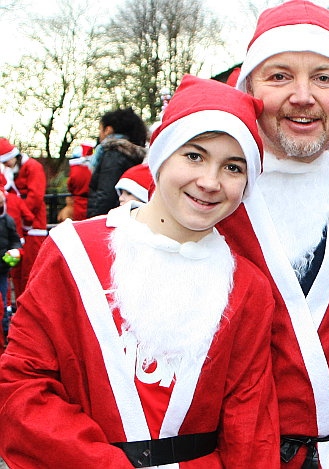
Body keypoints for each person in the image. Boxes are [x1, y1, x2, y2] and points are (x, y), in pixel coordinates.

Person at [0, 75, 280, 468]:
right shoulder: (73, 252)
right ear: (161, 157)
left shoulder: (248, 287)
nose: (209, 182)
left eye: (233, 167)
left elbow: (249, 423)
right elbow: (21, 386)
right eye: (194, 155)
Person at [220, 1, 329, 467]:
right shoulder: (210, 191)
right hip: (248, 454)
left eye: (324, 77)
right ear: (248, 88)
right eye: (279, 76)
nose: (303, 95)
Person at [0, 137, 47, 301]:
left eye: (6, 162)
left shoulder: (33, 167)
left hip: (33, 226)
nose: (5, 165)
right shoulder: (12, 171)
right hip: (20, 226)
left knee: (30, 271)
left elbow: (35, 196)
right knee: (17, 272)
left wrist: (19, 213)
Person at [87, 107, 147, 218]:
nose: (99, 134)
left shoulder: (113, 154)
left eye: (100, 129)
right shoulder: (133, 153)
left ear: (108, 130)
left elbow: (106, 194)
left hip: (110, 219)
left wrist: (94, 219)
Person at [0, 190, 22, 354]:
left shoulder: (7, 221)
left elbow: (15, 240)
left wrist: (15, 251)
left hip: (2, 268)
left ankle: (5, 328)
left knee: (4, 299)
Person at [58, 143, 94, 222]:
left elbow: (70, 184)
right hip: (92, 202)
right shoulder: (91, 170)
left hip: (78, 202)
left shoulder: (75, 170)